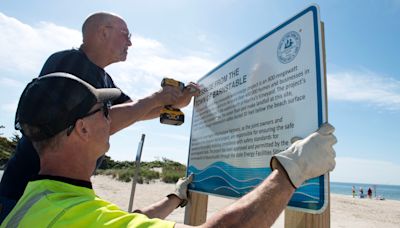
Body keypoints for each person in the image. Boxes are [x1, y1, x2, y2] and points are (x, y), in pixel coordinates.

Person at [2, 73, 337, 227]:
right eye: (103, 111)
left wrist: (174, 199)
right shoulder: (71, 216)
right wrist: (291, 171)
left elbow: (126, 223)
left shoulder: (42, 199)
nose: (110, 118)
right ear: (82, 128)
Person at [0, 12, 198, 222]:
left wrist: (173, 103)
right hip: (26, 195)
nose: (130, 42)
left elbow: (136, 111)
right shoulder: (69, 63)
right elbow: (82, 121)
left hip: (59, 194)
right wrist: (157, 99)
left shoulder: (105, 80)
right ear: (103, 32)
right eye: (125, 34)